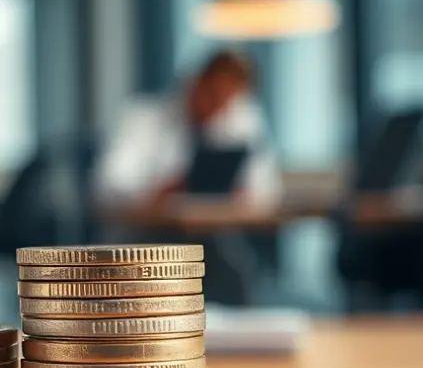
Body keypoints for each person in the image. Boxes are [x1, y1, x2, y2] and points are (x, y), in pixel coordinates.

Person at [94, 50, 282, 305]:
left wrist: (240, 192)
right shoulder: (143, 118)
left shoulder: (242, 119)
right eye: (215, 96)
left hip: (214, 237)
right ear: (195, 83)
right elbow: (109, 184)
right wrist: (155, 193)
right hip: (148, 239)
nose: (220, 107)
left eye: (229, 100)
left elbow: (268, 186)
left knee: (235, 276)